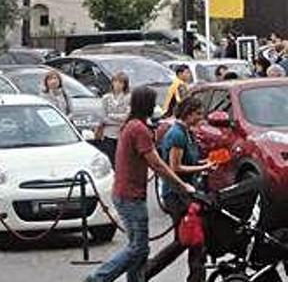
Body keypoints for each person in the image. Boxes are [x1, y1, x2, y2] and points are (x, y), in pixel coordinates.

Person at [85, 87, 196, 282]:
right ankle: (99, 278)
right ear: (146, 105)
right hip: (130, 195)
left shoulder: (132, 126)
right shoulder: (138, 129)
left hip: (127, 193)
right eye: (153, 103)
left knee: (138, 248)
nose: (155, 107)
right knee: (138, 247)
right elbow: (157, 164)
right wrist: (181, 185)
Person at [145, 97, 215, 282]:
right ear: (189, 113)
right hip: (176, 194)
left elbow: (189, 161)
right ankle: (146, 271)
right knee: (187, 239)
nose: (201, 117)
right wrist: (203, 168)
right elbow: (175, 167)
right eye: (198, 113)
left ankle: (195, 277)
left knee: (192, 239)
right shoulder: (176, 134)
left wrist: (205, 163)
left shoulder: (187, 133)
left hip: (186, 192)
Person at [99, 72, 130, 166]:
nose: (117, 84)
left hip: (122, 133)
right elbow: (103, 117)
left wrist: (111, 115)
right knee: (110, 158)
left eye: (121, 82)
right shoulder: (106, 98)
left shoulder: (129, 97)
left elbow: (127, 116)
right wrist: (117, 119)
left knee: (122, 160)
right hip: (108, 133)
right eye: (115, 81)